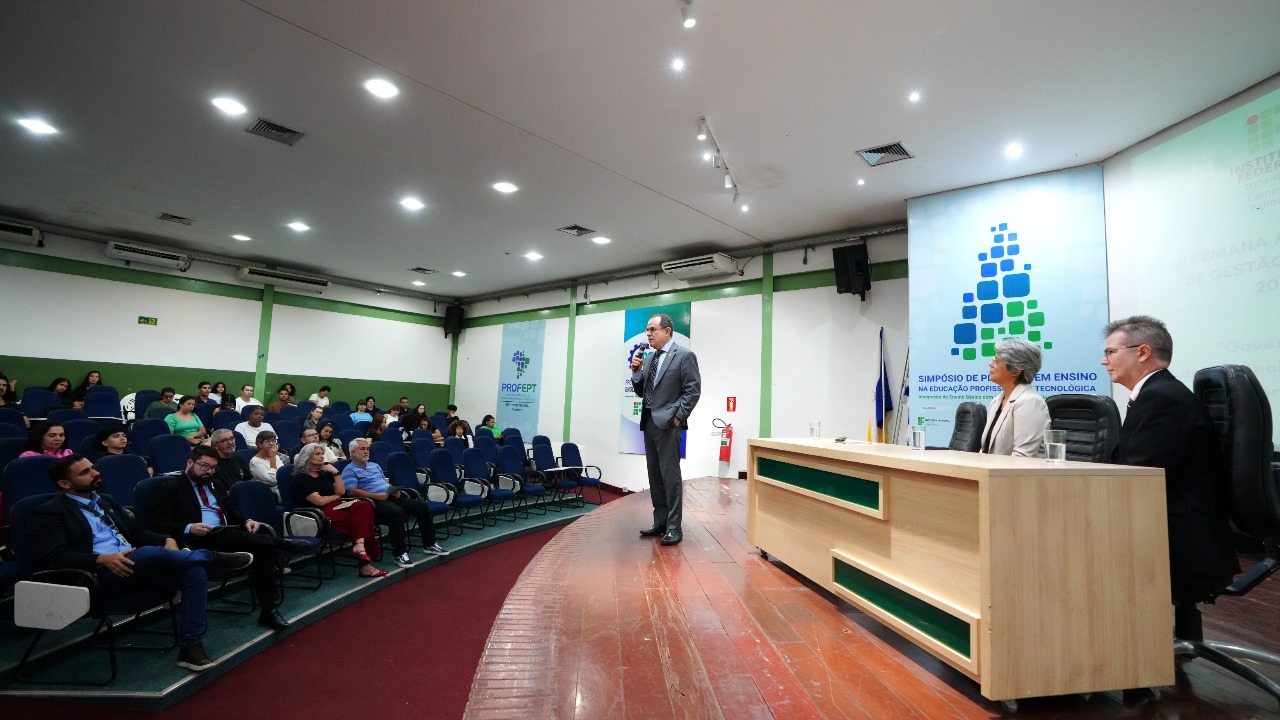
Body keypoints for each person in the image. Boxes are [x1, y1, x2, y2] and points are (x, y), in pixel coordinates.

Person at [28, 455, 253, 671]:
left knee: (193, 573)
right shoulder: (49, 512)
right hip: (99, 576)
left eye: (93, 467)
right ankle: (211, 557)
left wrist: (166, 539)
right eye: (85, 472)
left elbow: (135, 532)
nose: (95, 473)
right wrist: (102, 558)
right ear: (65, 483)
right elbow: (56, 557)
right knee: (146, 553)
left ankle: (190, 647)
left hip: (136, 565)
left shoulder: (106, 500)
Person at [1101, 315, 1238, 606]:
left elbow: (1139, 478)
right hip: (1176, 529)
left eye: (1110, 352)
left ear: (1143, 352)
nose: (1104, 361)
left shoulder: (1162, 398)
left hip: (1181, 543)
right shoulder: (1157, 393)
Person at [148, 445, 301, 630]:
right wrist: (190, 527)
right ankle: (281, 544)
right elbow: (158, 524)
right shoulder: (169, 488)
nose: (209, 471)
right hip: (197, 541)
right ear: (190, 463)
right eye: (204, 466)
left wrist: (246, 520)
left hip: (228, 536)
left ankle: (269, 611)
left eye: (213, 468)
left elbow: (230, 512)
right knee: (253, 542)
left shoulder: (216, 484)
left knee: (260, 550)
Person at [629, 313, 701, 546]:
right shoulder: (649, 358)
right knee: (655, 476)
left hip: (669, 424)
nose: (648, 334)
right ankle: (660, 522)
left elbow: (692, 391)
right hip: (649, 422)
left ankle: (673, 527)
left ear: (667, 331)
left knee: (670, 476)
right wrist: (636, 372)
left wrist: (678, 418)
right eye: (647, 330)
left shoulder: (684, 356)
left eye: (653, 329)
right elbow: (641, 392)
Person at [342, 438, 448, 566]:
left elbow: (384, 483)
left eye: (368, 449)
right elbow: (351, 492)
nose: (366, 452)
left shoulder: (374, 465)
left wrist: (393, 490)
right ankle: (399, 553)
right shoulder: (349, 470)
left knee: (422, 506)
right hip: (373, 502)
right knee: (397, 512)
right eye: (362, 449)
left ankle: (430, 544)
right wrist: (375, 496)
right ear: (353, 452)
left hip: (389, 496)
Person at [291, 442, 387, 578]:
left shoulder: (324, 474)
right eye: (317, 454)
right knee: (360, 522)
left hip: (336, 505)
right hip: (318, 512)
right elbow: (319, 501)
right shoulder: (301, 479)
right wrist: (335, 496)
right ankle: (365, 566)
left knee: (364, 505)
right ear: (307, 457)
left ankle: (359, 545)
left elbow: (341, 491)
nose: (321, 456)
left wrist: (336, 473)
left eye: (322, 454)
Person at [977, 338, 1050, 457]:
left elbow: (1022, 457)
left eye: (996, 361)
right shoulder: (996, 401)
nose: (990, 364)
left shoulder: (1030, 402)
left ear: (1015, 371)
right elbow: (986, 450)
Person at [88, 425, 154, 475]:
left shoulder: (131, 453)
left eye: (124, 436)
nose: (122, 438)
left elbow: (144, 465)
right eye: (116, 436)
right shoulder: (100, 459)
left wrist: (149, 468)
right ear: (105, 442)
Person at [249, 431, 288, 497]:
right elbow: (273, 480)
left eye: (273, 441)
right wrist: (272, 458)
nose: (271, 444)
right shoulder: (255, 462)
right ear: (259, 444)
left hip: (282, 486)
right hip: (269, 493)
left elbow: (282, 474)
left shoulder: (275, 456)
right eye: (267, 441)